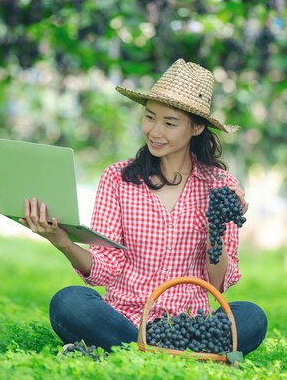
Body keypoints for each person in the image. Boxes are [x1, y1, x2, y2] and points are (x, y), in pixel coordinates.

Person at [20, 58, 267, 356]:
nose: (155, 131)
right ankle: (170, 351)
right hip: (123, 318)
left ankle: (123, 350)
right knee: (69, 302)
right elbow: (104, 271)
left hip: (188, 323)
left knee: (252, 316)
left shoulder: (219, 186)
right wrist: (62, 241)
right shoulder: (117, 179)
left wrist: (216, 226)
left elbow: (218, 282)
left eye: (170, 123)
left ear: (197, 127)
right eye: (150, 117)